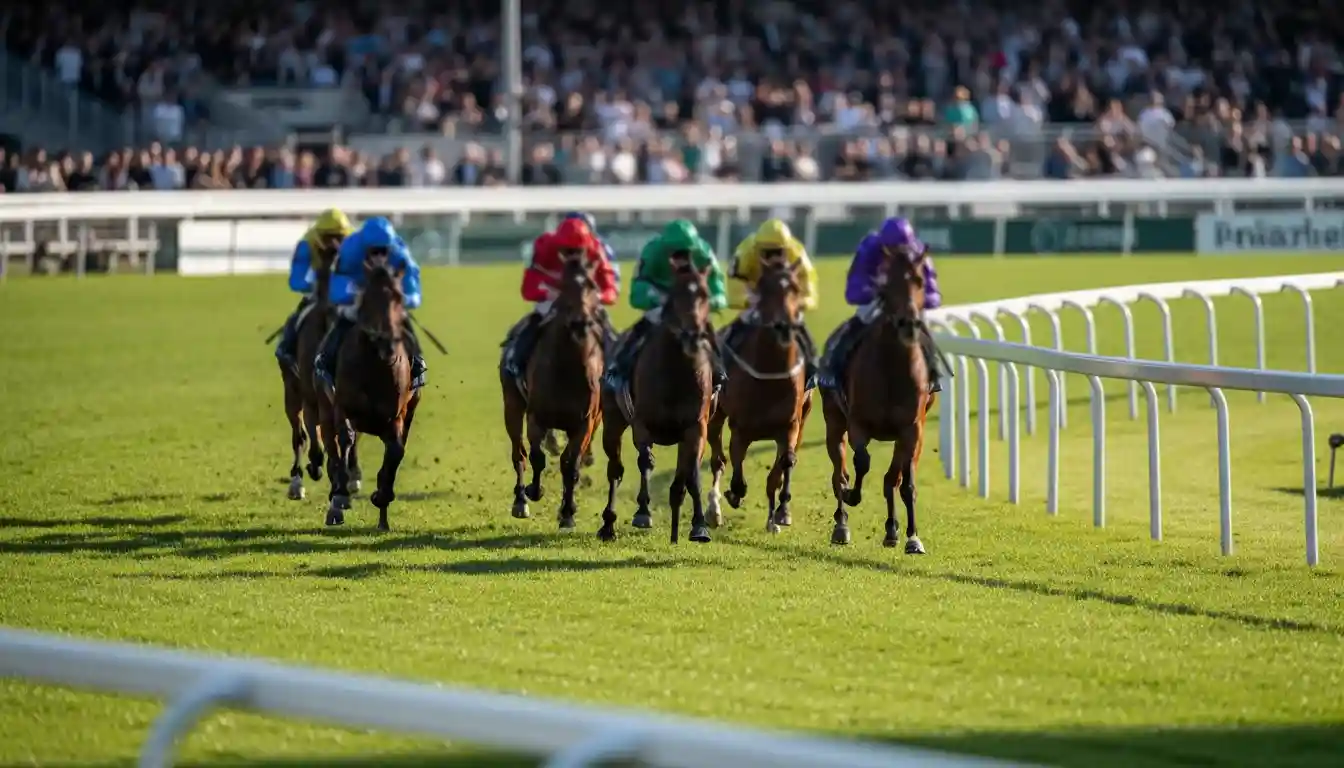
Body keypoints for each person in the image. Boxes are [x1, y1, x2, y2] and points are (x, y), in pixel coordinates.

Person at [817, 216, 946, 393]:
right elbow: (853, 289)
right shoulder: (869, 248)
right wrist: (876, 291)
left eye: (902, 250)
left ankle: (933, 371)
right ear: (883, 245)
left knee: (920, 325)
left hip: (908, 304)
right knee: (861, 319)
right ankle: (833, 368)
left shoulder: (919, 255)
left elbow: (933, 294)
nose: (898, 254)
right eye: (892, 250)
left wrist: (919, 299)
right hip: (877, 300)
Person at [603, 219, 729, 393]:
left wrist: (704, 302)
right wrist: (662, 299)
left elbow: (720, 293)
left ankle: (721, 372)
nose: (681, 259)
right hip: (661, 299)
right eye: (675, 254)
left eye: (685, 253)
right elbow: (636, 293)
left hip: (692, 302)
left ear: (694, 248)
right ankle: (616, 371)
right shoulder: (651, 251)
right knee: (638, 331)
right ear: (665, 248)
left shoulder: (705, 253)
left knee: (707, 330)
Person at [314, 217, 427, 392]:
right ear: (365, 248)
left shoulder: (399, 253)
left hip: (386, 296)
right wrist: (354, 294)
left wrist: (403, 299)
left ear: (390, 248)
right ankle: (325, 360)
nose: (380, 257)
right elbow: (336, 286)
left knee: (401, 320)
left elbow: (413, 286)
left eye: (384, 252)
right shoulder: (350, 250)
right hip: (356, 293)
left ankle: (417, 363)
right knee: (345, 318)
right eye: (374, 252)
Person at [502, 216, 620, 381]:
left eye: (578, 251)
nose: (572, 257)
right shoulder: (543, 247)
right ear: (557, 244)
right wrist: (550, 294)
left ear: (587, 246)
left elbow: (611, 291)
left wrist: (593, 296)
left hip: (586, 301)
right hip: (552, 298)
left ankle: (616, 375)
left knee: (609, 333)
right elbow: (528, 289)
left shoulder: (598, 250)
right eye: (566, 251)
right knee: (530, 327)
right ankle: (514, 365)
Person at [723, 218, 821, 387]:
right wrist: (747, 299)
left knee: (803, 333)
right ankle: (720, 369)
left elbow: (810, 289)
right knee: (730, 334)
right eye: (768, 254)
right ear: (758, 249)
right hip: (756, 295)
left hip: (786, 297)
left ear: (787, 249)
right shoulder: (746, 250)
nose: (774, 258)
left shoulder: (797, 254)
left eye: (779, 253)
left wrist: (798, 303)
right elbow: (733, 282)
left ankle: (812, 371)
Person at [274, 208, 354, 370]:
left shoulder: (354, 243)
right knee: (296, 319)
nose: (334, 244)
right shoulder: (306, 244)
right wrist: (318, 283)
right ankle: (286, 350)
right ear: (318, 235)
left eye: (338, 237)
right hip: (317, 290)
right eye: (328, 238)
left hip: (345, 291)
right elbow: (296, 281)